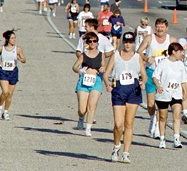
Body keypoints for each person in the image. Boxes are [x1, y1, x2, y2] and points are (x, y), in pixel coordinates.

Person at [103, 32, 147, 163]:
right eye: (126, 42)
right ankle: (116, 146)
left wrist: (143, 82)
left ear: (134, 43)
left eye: (130, 42)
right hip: (119, 89)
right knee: (118, 124)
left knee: (129, 123)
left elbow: (144, 74)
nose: (128, 44)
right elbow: (106, 74)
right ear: (123, 42)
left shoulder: (137, 57)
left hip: (133, 89)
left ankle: (126, 152)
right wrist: (107, 84)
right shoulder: (116, 55)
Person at [136, 18, 177, 138]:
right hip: (150, 72)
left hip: (164, 75)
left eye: (162, 27)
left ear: (166, 28)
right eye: (158, 27)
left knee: (161, 102)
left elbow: (177, 54)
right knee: (150, 103)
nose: (160, 29)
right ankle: (152, 117)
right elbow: (139, 51)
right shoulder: (149, 38)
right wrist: (147, 58)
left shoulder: (171, 40)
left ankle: (158, 126)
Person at [153, 42, 187, 149]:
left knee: (177, 115)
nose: (181, 54)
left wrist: (185, 90)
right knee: (163, 117)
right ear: (174, 52)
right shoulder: (163, 63)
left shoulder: (180, 64)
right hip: (163, 94)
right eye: (180, 52)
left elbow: (183, 79)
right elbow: (155, 76)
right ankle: (162, 139)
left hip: (176, 93)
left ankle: (176, 139)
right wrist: (158, 86)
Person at [72, 32, 105, 137]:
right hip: (84, 81)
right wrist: (78, 71)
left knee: (92, 106)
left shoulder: (101, 55)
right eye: (90, 41)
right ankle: (81, 118)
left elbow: (104, 67)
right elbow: (74, 66)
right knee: (82, 109)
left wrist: (102, 69)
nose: (92, 43)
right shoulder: (83, 55)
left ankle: (88, 128)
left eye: (94, 41)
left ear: (97, 42)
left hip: (96, 81)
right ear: (87, 43)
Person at [0, 30, 26, 120]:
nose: (14, 40)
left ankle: (6, 111)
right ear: (7, 39)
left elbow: (24, 60)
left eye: (15, 38)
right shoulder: (1, 48)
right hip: (3, 71)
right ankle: (0, 108)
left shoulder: (18, 49)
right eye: (12, 38)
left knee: (10, 94)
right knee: (5, 91)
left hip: (13, 72)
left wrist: (20, 59)